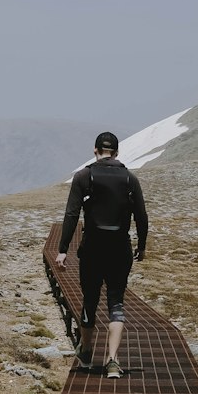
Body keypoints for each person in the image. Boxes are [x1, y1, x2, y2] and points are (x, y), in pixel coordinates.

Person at [55, 130, 147, 378]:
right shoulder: (130, 179)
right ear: (116, 152)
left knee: (90, 300)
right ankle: (113, 361)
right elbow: (141, 216)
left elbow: (72, 215)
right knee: (116, 302)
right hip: (120, 250)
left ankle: (86, 351)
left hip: (92, 249)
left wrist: (63, 249)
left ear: (95, 150)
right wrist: (142, 246)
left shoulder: (84, 177)